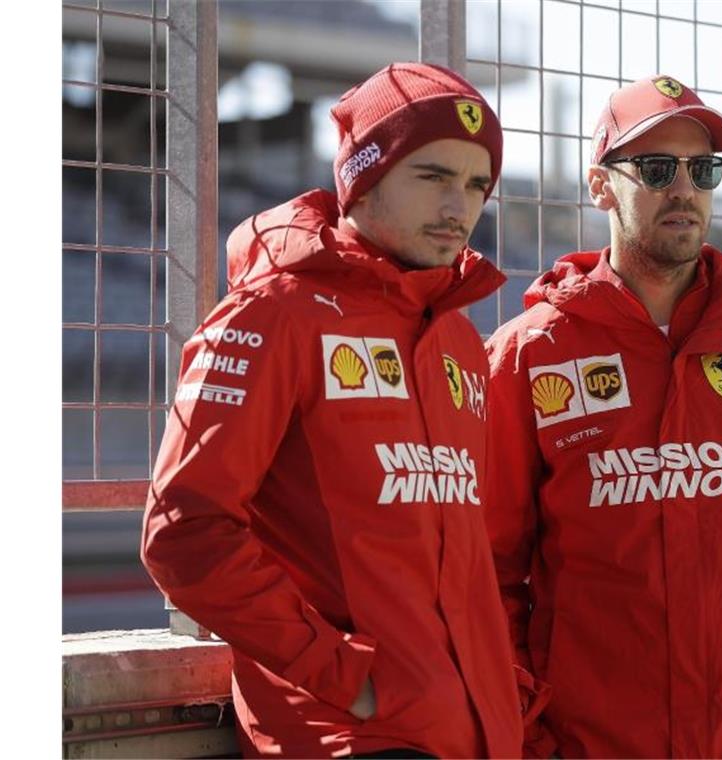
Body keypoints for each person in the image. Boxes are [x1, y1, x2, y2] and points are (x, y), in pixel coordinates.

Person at [141, 63, 539, 759]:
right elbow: (184, 530)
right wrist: (340, 675)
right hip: (349, 735)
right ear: (363, 174)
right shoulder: (273, 314)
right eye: (433, 176)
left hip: (471, 733)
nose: (460, 207)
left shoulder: (457, 339)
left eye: (476, 185)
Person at [483, 75, 722, 759]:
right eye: (656, 169)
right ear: (601, 187)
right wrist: (527, 735)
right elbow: (491, 571)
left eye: (703, 169)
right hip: (587, 743)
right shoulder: (531, 352)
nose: (684, 189)